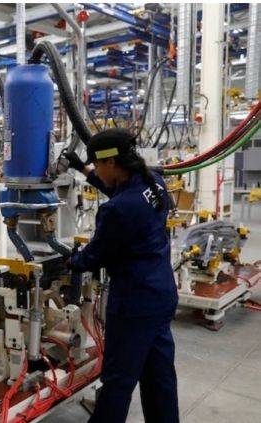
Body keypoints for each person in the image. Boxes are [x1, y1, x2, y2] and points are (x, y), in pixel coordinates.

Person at [63, 128, 179, 423]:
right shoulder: (154, 183)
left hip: (133, 305)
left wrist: (72, 262)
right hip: (162, 294)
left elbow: (94, 255)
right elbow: (121, 194)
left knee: (117, 381)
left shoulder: (117, 210)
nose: (98, 171)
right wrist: (83, 169)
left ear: (111, 162)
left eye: (97, 165)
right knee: (159, 376)